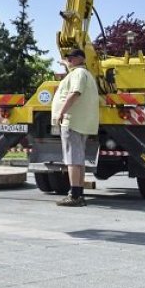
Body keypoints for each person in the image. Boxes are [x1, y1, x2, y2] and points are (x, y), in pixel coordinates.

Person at [51, 48, 99, 207]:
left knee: (72, 160)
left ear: (81, 59)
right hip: (81, 122)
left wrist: (61, 112)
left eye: (72, 57)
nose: (69, 59)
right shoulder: (85, 74)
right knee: (78, 160)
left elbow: (75, 93)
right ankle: (79, 193)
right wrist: (65, 63)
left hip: (72, 122)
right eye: (68, 57)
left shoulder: (78, 74)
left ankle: (74, 195)